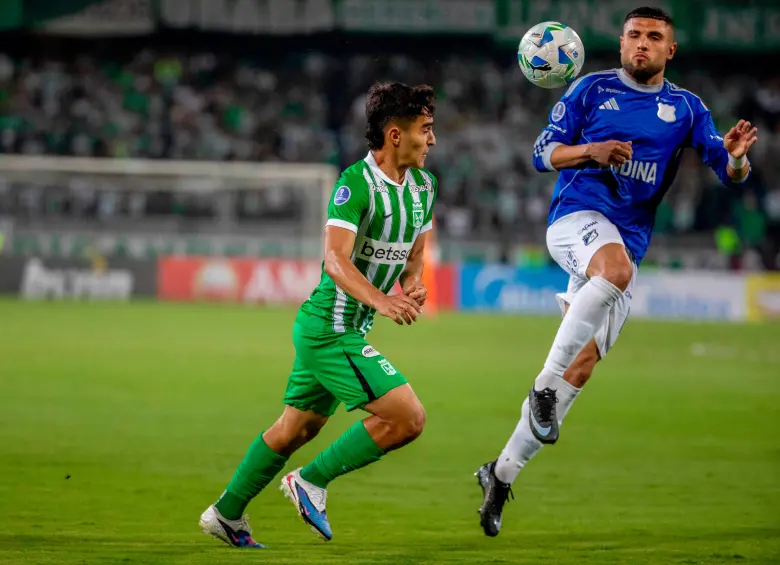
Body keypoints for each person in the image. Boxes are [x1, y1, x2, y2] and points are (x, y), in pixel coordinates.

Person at [476, 6, 758, 537]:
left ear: (670, 50)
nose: (642, 44)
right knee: (613, 275)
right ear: (621, 43)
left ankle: (501, 473)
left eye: (654, 37)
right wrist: (591, 151)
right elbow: (541, 154)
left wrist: (738, 158)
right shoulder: (588, 90)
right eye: (634, 36)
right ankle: (541, 386)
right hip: (575, 220)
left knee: (580, 369)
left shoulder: (688, 108)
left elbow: (730, 170)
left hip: (627, 244)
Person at [200, 81, 438, 548]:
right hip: (331, 328)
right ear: (395, 135)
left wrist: (412, 287)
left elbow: (413, 259)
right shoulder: (355, 184)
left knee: (294, 430)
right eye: (425, 129)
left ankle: (225, 514)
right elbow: (335, 260)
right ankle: (309, 481)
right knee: (407, 418)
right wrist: (382, 299)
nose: (432, 140)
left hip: (340, 328)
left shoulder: (424, 187)